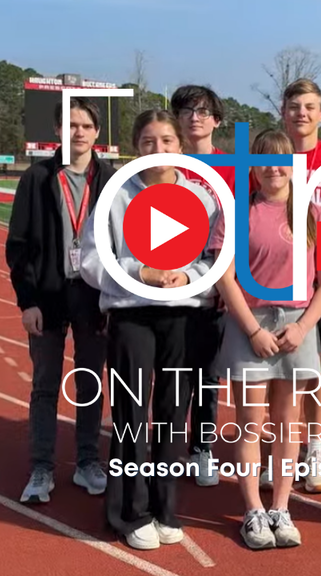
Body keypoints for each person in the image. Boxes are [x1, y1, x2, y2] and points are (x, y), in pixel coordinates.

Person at [78, 109, 220, 550]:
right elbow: (88, 260)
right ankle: (129, 511)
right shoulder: (114, 196)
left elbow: (215, 259)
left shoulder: (204, 198)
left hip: (183, 316)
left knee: (174, 417)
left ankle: (164, 507)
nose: (157, 150)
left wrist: (188, 274)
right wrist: (141, 272)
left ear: (180, 146)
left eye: (166, 141)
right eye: (147, 142)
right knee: (131, 417)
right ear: (135, 148)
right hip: (132, 315)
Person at [209, 129, 321, 549]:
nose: (273, 168)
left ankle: (281, 507)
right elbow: (224, 277)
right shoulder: (236, 212)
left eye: (281, 159)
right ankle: (252, 510)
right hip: (253, 323)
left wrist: (302, 327)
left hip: (297, 326)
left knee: (287, 422)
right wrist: (253, 330)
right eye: (263, 159)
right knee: (250, 424)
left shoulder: (314, 214)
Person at [253, 78, 321, 493]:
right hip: (270, 284)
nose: (301, 113)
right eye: (294, 106)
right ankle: (278, 453)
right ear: (283, 111)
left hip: (319, 284)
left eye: (310, 106)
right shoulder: (267, 159)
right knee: (271, 375)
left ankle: (313, 451)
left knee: (316, 374)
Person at [6, 97, 111, 504]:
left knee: (90, 383)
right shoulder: (36, 177)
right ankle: (41, 468)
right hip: (47, 296)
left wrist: (112, 300)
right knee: (45, 385)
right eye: (70, 125)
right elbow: (18, 245)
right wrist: (26, 301)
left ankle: (87, 461)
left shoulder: (111, 179)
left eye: (86, 125)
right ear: (57, 131)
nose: (78, 132)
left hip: (93, 296)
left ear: (97, 133)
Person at [169, 84, 235, 488]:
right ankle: (167, 447)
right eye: (187, 110)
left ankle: (202, 447)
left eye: (203, 111)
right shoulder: (163, 163)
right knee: (172, 373)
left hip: (214, 288)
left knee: (208, 376)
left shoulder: (232, 167)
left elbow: (242, 230)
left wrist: (231, 287)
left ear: (216, 120)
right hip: (169, 286)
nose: (195, 117)